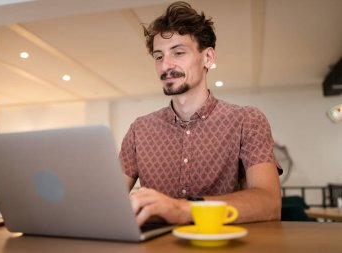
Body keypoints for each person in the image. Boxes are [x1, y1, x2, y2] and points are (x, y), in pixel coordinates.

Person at [119, 1, 282, 226]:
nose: (165, 65)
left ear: (208, 58)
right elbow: (110, 200)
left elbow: (269, 202)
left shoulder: (247, 120)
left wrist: (182, 209)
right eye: (158, 56)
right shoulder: (140, 129)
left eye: (178, 52)